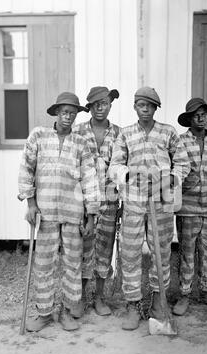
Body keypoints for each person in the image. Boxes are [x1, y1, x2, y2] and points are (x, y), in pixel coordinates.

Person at [109, 87, 190, 330]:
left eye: (150, 105)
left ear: (156, 108)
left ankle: (158, 302)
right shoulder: (125, 134)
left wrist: (170, 179)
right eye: (141, 105)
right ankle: (133, 305)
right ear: (135, 107)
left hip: (161, 203)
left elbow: (182, 163)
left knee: (161, 252)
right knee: (130, 254)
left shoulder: (168, 133)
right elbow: (114, 165)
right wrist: (128, 173)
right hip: (134, 203)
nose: (145, 109)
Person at [18, 92, 99, 332]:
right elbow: (26, 169)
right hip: (45, 213)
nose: (68, 117)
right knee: (44, 264)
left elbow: (90, 179)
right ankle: (44, 313)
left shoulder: (81, 143)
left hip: (73, 213)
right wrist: (31, 204)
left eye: (73, 113)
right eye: (64, 112)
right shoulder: (39, 136)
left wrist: (91, 215)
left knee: (72, 263)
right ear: (56, 113)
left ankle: (65, 311)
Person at [173, 98, 207, 316]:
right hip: (187, 206)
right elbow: (176, 170)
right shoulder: (181, 142)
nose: (200, 118)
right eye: (196, 114)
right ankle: (184, 295)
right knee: (187, 252)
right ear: (189, 119)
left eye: (203, 114)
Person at [73, 86, 121, 317]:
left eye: (105, 103)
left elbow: (124, 168)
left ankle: (99, 298)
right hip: (83, 202)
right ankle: (80, 298)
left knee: (104, 250)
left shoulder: (120, 133)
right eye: (96, 104)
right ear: (89, 107)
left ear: (111, 105)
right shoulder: (78, 132)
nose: (101, 108)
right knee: (83, 250)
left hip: (110, 202)